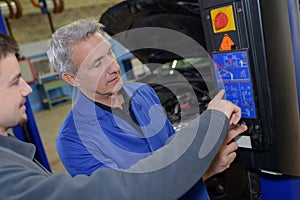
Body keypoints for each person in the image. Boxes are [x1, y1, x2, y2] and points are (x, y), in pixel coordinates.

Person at [0, 32, 245, 199]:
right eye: (97, 63)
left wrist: (202, 165)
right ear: (72, 78)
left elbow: (171, 146)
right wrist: (203, 166)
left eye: (110, 54)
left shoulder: (143, 92)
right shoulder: (73, 140)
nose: (114, 67)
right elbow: (128, 191)